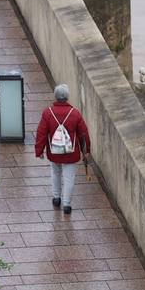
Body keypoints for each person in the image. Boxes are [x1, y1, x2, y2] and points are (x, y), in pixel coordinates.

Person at [33, 84, 90, 215]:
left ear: (56, 96)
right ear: (67, 97)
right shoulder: (75, 113)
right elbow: (83, 134)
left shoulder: (48, 113)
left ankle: (56, 197)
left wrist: (39, 150)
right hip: (71, 153)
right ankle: (67, 204)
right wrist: (86, 151)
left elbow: (41, 132)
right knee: (69, 177)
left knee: (55, 172)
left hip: (54, 151)